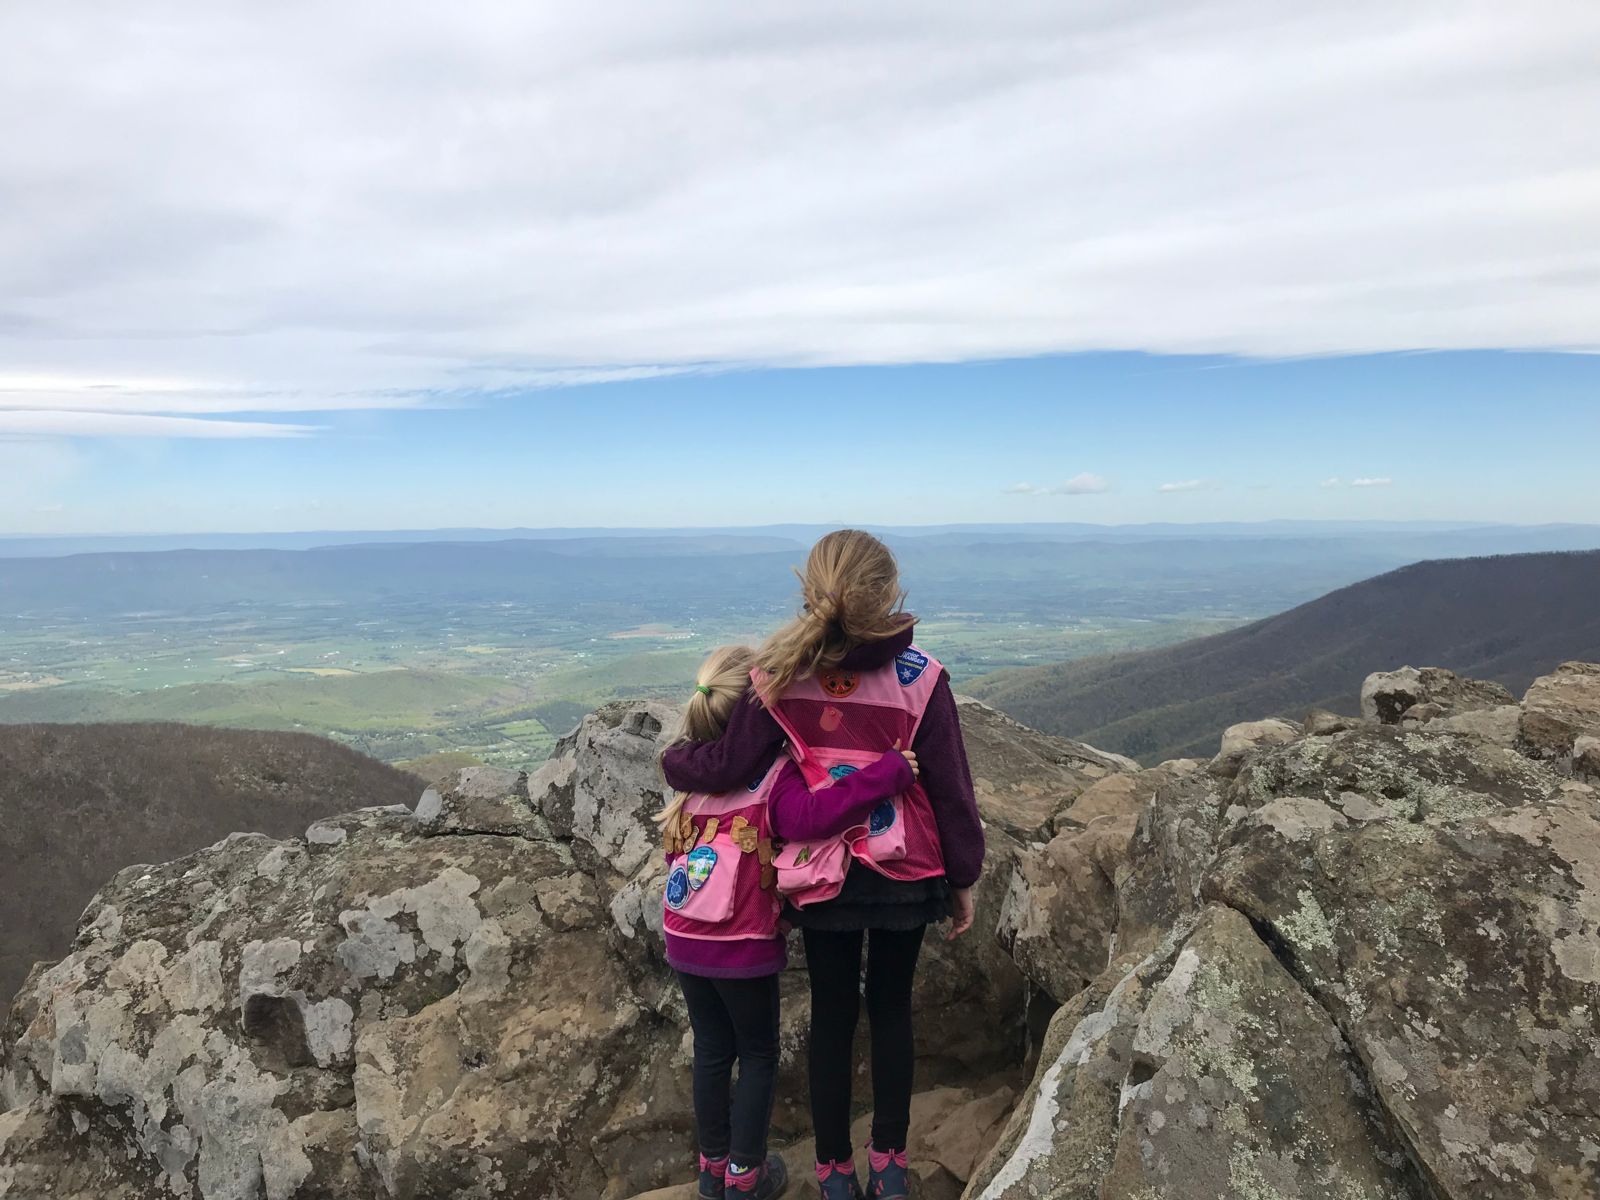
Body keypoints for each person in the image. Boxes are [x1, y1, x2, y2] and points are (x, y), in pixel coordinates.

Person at [662, 531, 984, 1200]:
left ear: (810, 593)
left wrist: (671, 763)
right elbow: (952, 790)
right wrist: (964, 878)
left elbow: (727, 768)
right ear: (890, 593)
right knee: (892, 1008)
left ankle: (833, 1172)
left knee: (834, 1014)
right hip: (908, 871)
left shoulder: (780, 677)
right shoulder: (922, 677)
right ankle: (890, 1169)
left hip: (821, 874)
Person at [659, 643, 918, 1199]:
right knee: (757, 1054)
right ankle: (746, 1177)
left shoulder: (692, 783)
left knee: (710, 1049)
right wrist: (885, 775)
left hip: (682, 937)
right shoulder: (775, 775)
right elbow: (810, 816)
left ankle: (711, 1171)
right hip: (740, 941)